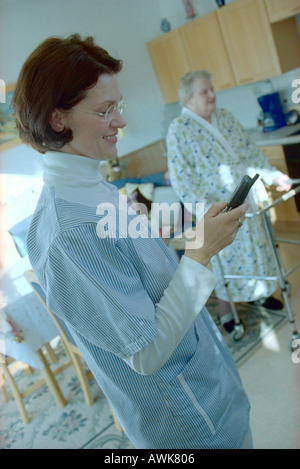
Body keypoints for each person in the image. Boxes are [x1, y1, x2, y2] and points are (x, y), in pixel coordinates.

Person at [12, 35, 251, 449]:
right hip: (187, 423)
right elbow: (145, 354)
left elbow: (136, 274)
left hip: (211, 384)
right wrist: (201, 252)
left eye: (117, 107)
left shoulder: (93, 187)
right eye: (105, 111)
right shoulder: (67, 234)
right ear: (58, 120)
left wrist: (183, 236)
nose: (120, 121)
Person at [166, 70, 292, 332]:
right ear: (188, 99)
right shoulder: (179, 130)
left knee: (258, 251)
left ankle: (261, 293)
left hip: (249, 200)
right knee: (227, 261)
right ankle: (226, 311)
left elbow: (251, 154)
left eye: (212, 89)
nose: (212, 94)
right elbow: (182, 179)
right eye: (205, 91)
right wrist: (207, 212)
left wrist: (274, 176)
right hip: (218, 210)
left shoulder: (225, 117)